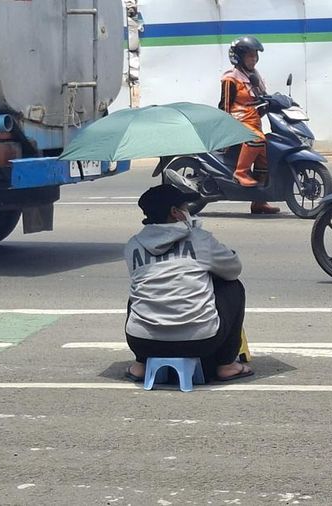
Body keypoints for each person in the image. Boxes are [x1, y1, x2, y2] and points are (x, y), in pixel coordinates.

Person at [124, 184, 254, 383]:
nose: (189, 212)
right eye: (185, 207)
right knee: (233, 287)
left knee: (139, 294)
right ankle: (227, 365)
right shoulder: (199, 238)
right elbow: (233, 269)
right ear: (176, 213)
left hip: (143, 342)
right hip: (200, 342)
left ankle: (140, 365)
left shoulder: (134, 244)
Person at [220, 36, 280, 215]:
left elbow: (264, 96)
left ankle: (259, 202)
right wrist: (226, 126)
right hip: (238, 121)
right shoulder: (231, 79)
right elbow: (225, 105)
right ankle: (240, 172)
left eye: (255, 56)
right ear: (238, 58)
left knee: (266, 153)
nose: (253, 59)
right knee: (257, 139)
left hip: (254, 120)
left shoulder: (255, 76)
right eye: (249, 56)